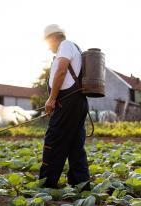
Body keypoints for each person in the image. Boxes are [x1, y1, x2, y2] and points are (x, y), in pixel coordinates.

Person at [39, 24, 91, 191]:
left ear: (53, 38)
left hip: (68, 102)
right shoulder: (70, 47)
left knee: (54, 140)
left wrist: (51, 99)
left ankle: (47, 185)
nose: (48, 48)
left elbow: (61, 71)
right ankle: (81, 185)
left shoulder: (65, 45)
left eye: (48, 43)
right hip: (75, 102)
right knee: (75, 144)